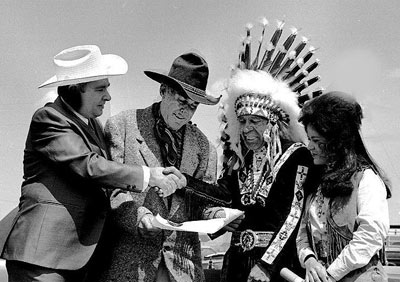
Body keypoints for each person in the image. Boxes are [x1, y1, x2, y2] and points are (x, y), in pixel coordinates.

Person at [0, 45, 186, 282]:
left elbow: (109, 177)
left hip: (81, 260)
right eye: (100, 89)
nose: (108, 96)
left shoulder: (94, 126)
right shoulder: (48, 118)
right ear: (75, 89)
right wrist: (150, 176)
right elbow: (90, 166)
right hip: (43, 259)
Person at [183, 19, 322, 282]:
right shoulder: (241, 161)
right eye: (243, 121)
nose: (247, 129)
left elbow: (293, 217)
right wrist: (185, 182)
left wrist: (266, 265)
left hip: (276, 267)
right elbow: (223, 197)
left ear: (273, 122)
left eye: (255, 121)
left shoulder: (298, 156)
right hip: (235, 264)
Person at [94, 52, 229, 282]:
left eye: (193, 106)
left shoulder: (206, 148)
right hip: (131, 267)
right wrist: (139, 217)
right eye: (181, 101)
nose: (185, 111)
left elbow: (201, 203)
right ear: (163, 90)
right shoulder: (123, 126)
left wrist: (216, 215)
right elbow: (113, 190)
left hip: (183, 269)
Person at [296, 91, 391, 282]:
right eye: (309, 139)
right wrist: (310, 261)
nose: (310, 146)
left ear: (336, 141)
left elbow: (370, 236)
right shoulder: (315, 184)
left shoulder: (366, 180)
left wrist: (331, 274)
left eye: (316, 140)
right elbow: (302, 234)